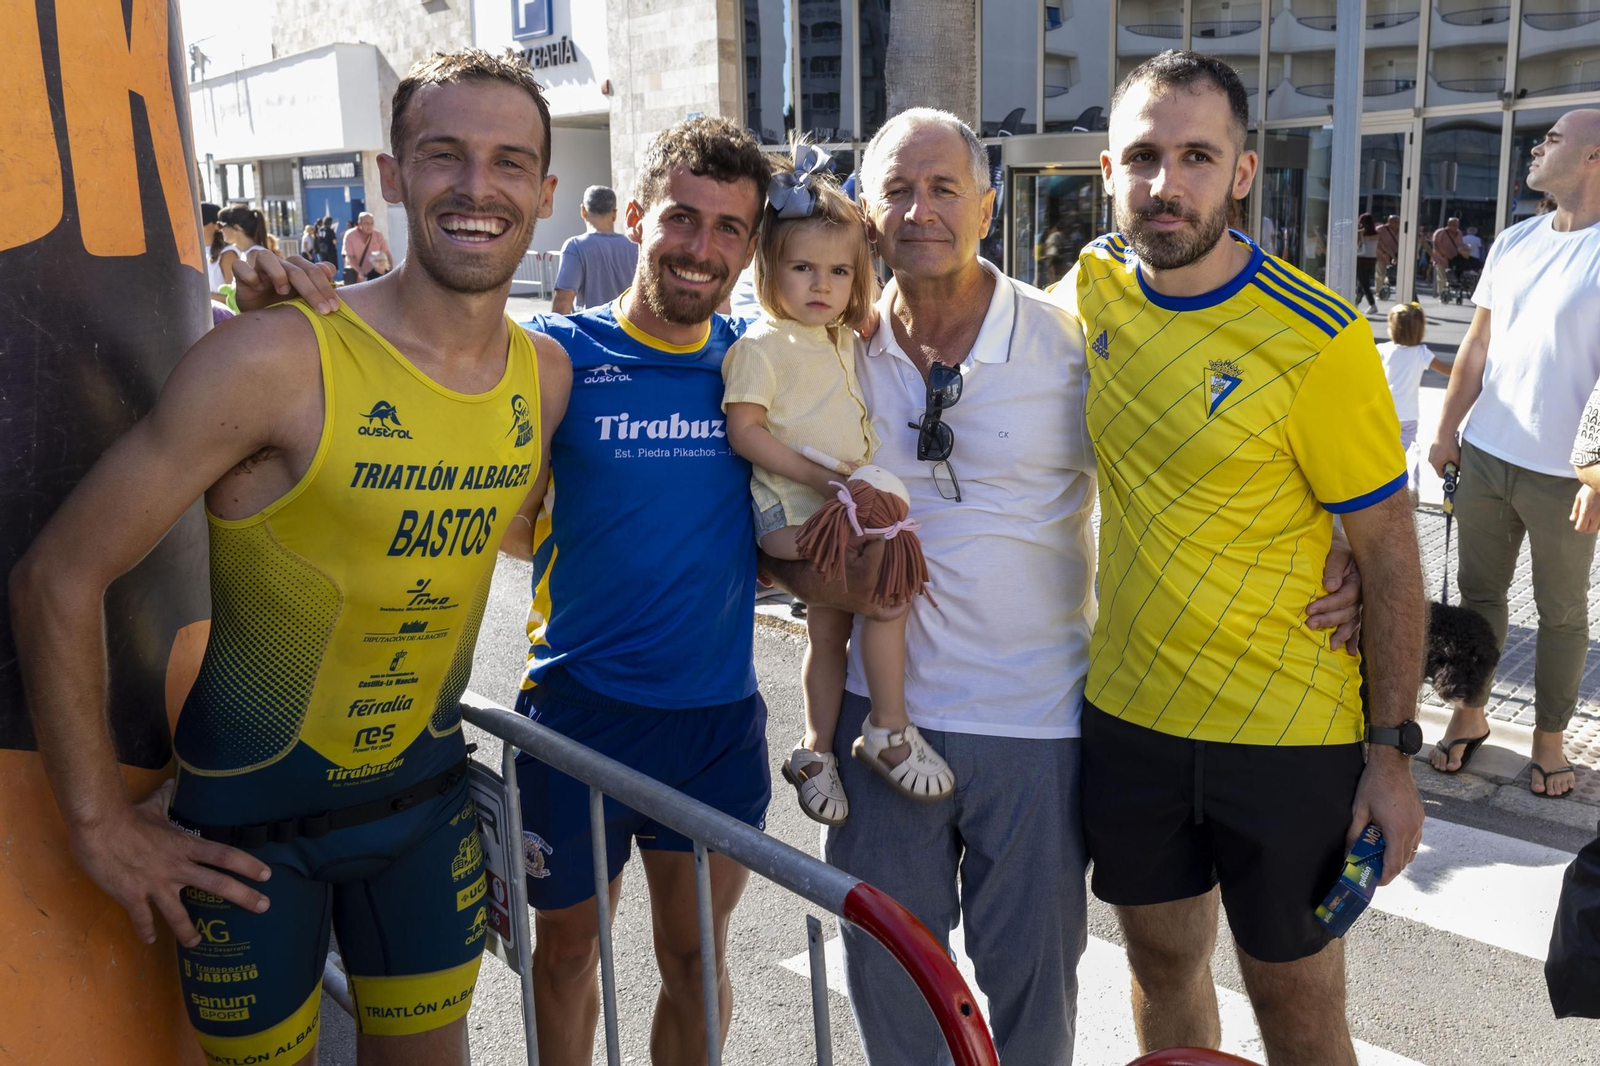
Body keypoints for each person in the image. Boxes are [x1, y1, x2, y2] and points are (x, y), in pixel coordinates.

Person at [8, 48, 570, 1066]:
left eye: (508, 161)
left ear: (544, 188)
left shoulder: (547, 373)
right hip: (243, 843)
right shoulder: (277, 359)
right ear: (393, 174)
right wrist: (94, 818)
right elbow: (57, 574)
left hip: (424, 808)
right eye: (444, 155)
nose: (477, 188)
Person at [1064, 51, 1425, 1065]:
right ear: (1105, 171)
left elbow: (1390, 555)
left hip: (1286, 733)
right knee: (1160, 972)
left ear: (1241, 173)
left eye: (1194, 156)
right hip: (1130, 719)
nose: (1164, 184)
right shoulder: (1085, 290)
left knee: (1297, 1012)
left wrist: (1391, 755)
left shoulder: (1317, 336)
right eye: (1142, 157)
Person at [510, 117, 774, 1066]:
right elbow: (510, 518)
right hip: (576, 716)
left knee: (696, 959)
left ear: (749, 245)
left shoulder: (753, 364)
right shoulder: (559, 354)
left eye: (729, 229)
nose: (702, 249)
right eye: (682, 218)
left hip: (711, 725)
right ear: (636, 217)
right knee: (569, 952)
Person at [722, 144, 951, 826]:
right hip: (795, 518)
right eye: (802, 268)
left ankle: (815, 749)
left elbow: (871, 315)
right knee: (888, 595)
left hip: (830, 511)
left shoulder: (837, 336)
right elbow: (747, 432)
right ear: (769, 268)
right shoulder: (761, 345)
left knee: (828, 637)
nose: (821, 285)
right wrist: (824, 482)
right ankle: (888, 727)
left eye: (838, 271)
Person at [1426, 108, 1600, 798]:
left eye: (1554, 139)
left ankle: (1548, 741)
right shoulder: (1516, 240)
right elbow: (1476, 347)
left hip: (1567, 475)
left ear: (1593, 158)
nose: (1538, 146)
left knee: (1561, 614)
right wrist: (1444, 431)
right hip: (1487, 456)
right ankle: (1469, 718)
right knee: (1479, 598)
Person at [1378, 302, 1453, 496]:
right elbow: (1447, 370)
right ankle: (1413, 488)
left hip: (1384, 412)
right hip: (1408, 414)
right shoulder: (1421, 353)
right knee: (1410, 453)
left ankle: (1383, 489)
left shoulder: (1382, 350)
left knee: (1383, 452)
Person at [551, 184, 640, 313]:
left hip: (589, 330)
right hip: (627, 328)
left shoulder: (575, 247)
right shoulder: (635, 246)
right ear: (614, 214)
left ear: (583, 211)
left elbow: (563, 300)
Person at [217, 204, 272, 285]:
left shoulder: (254, 256)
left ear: (237, 227)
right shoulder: (247, 254)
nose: (220, 230)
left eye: (221, 225)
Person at [342, 211, 392, 284]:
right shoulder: (350, 235)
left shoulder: (378, 235)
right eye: (367, 223)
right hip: (357, 278)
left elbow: (386, 253)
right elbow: (349, 257)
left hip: (375, 277)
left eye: (372, 223)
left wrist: (391, 271)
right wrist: (360, 271)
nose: (370, 226)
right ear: (359, 224)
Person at [1431, 215, 1469, 294]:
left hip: (1453, 259)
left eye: (1457, 225)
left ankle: (1448, 292)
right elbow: (1435, 245)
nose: (1455, 227)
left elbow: (1460, 245)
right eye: (1453, 225)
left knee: (1452, 277)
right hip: (1440, 259)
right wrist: (1442, 255)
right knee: (1442, 277)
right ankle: (1442, 293)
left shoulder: (1460, 233)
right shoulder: (1440, 232)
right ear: (1448, 224)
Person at [1356, 211, 1380, 313]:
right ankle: (1355, 303)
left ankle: (1372, 304)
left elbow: (1357, 244)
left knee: (1364, 283)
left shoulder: (1360, 233)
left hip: (1361, 259)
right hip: (1372, 259)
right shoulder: (1377, 234)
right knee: (1362, 283)